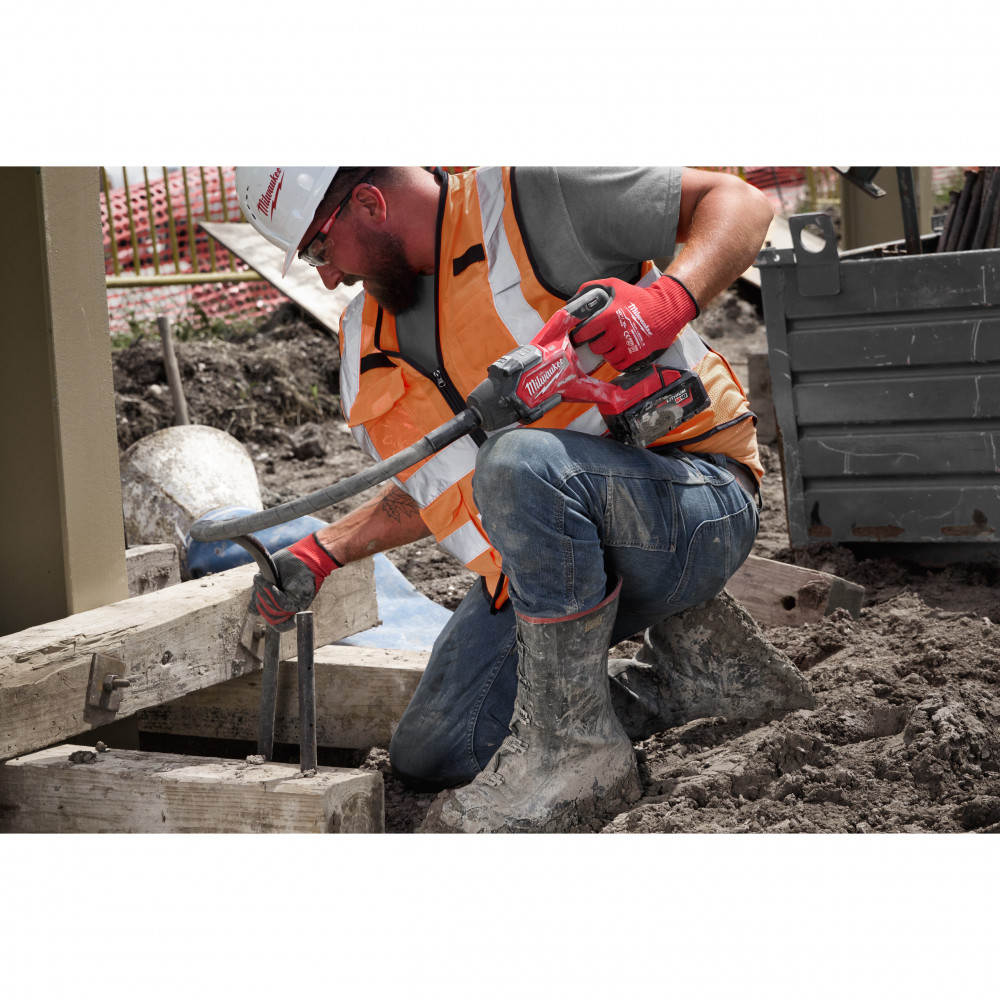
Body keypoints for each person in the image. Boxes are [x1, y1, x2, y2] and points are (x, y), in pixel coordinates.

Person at [234, 165, 813, 833]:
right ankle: (698, 679)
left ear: (368, 203)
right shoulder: (368, 340)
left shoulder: (529, 202)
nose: (329, 277)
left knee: (516, 463)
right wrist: (326, 549)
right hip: (548, 569)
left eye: (318, 249)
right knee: (437, 747)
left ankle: (576, 755)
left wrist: (667, 302)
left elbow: (739, 202)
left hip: (694, 502)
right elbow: (445, 480)